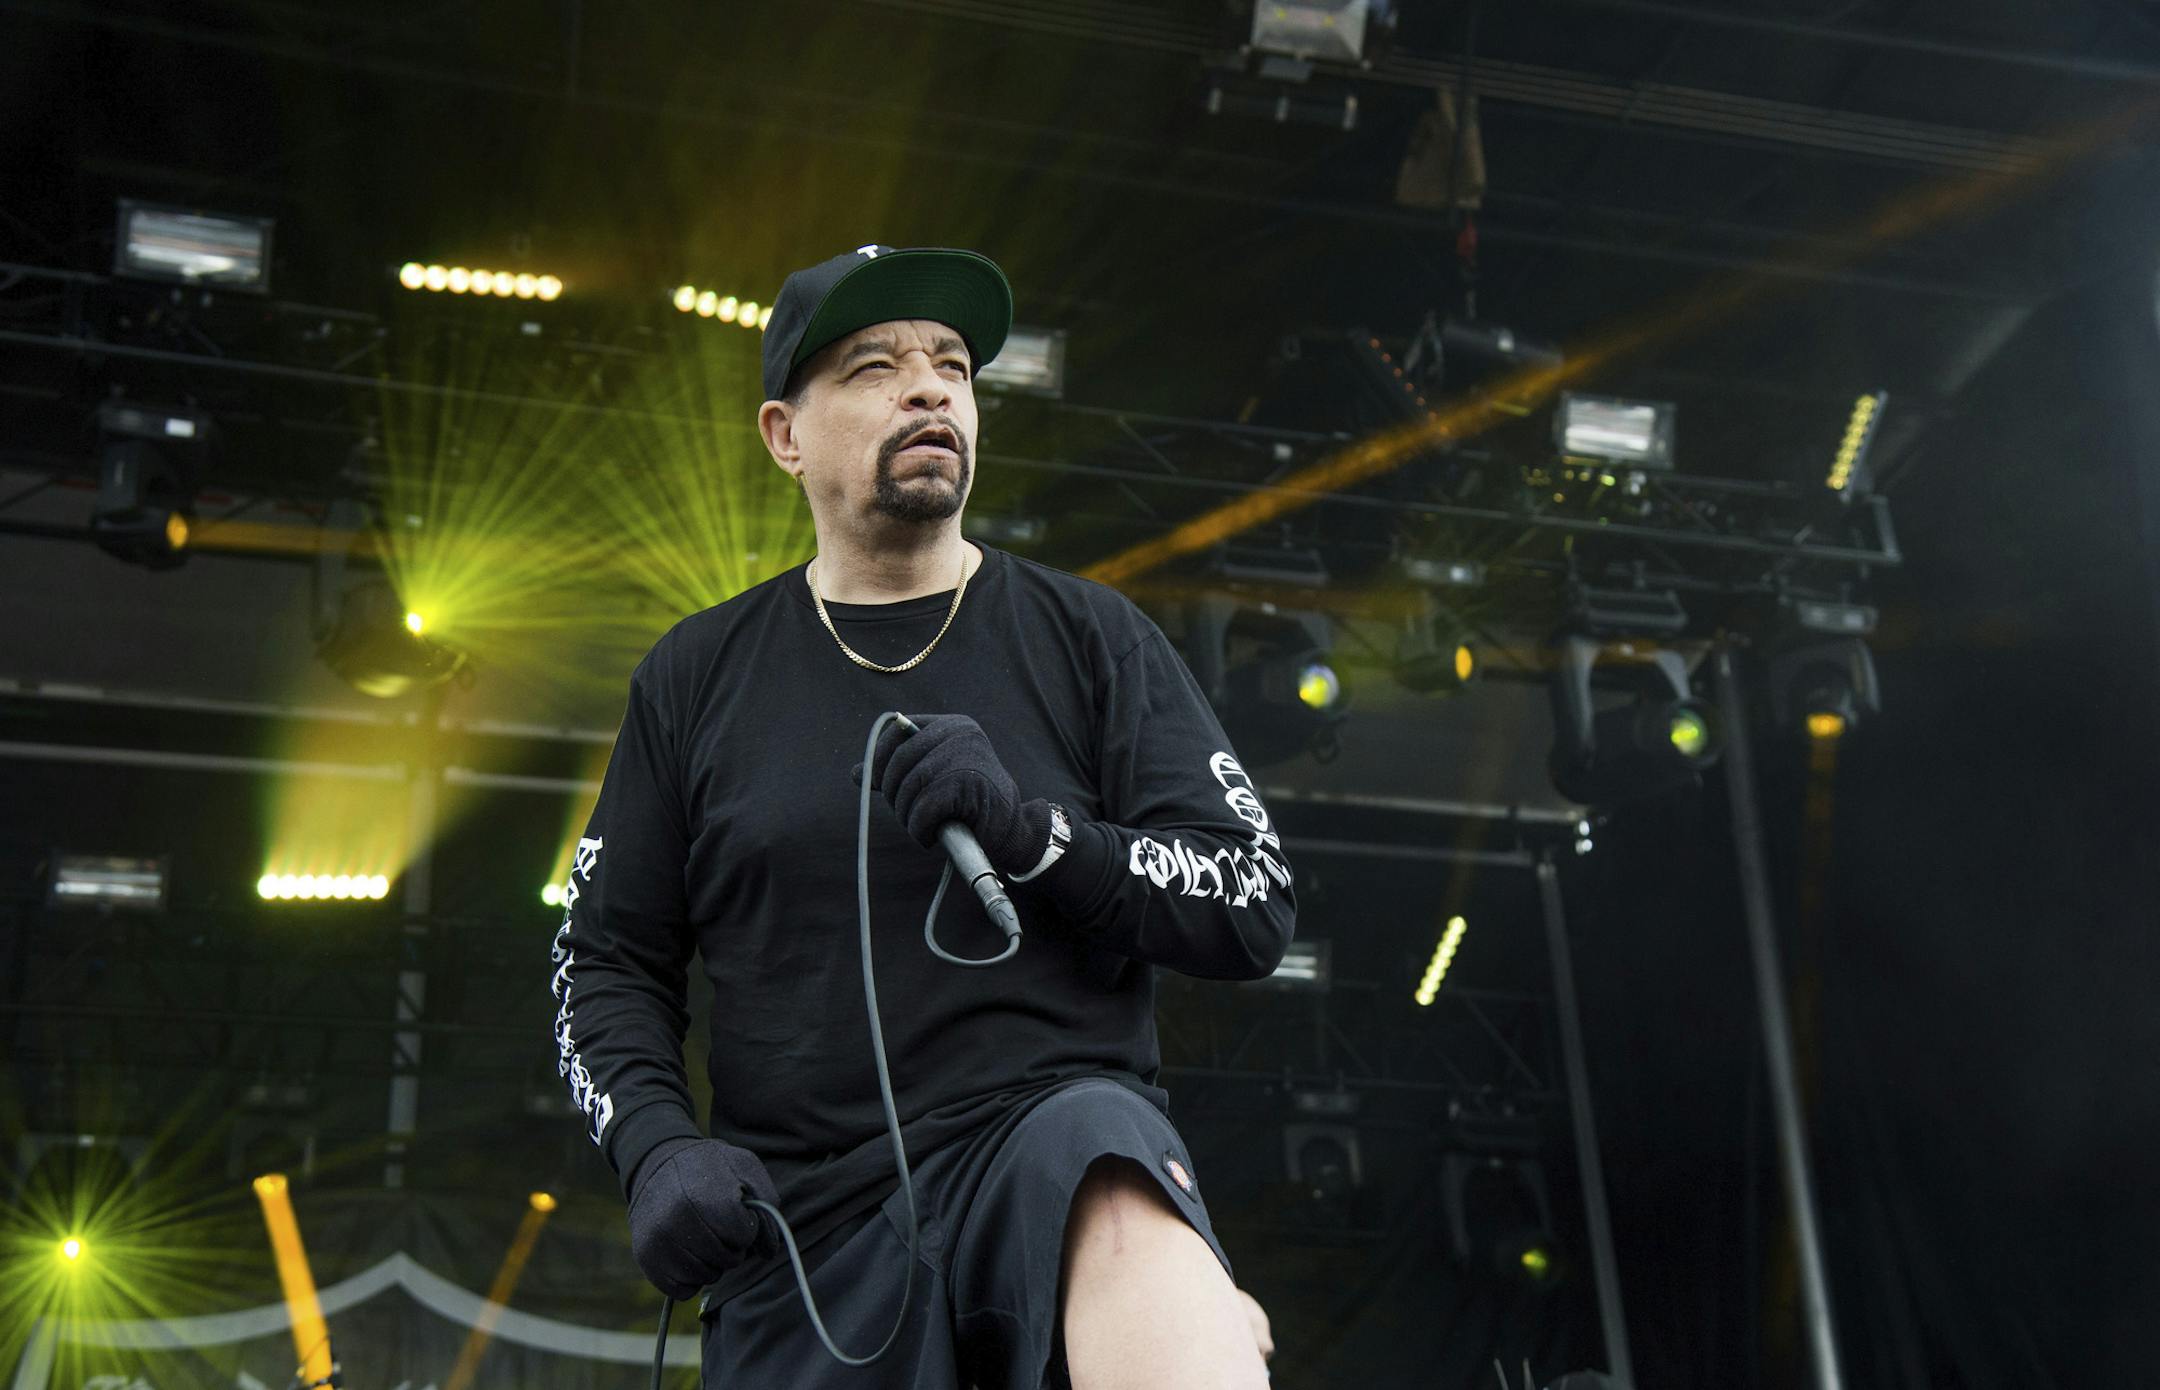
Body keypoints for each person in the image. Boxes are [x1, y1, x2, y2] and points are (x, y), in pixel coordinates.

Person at [549, 244, 1295, 1389]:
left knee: (1109, 1173)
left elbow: (1251, 898)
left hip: (1044, 1138)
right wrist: (654, 1148)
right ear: (784, 435)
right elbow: (602, 960)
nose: (932, 386)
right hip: (803, 1233)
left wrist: (1037, 836)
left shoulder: (1092, 636)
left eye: (953, 364)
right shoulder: (694, 676)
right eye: (873, 366)